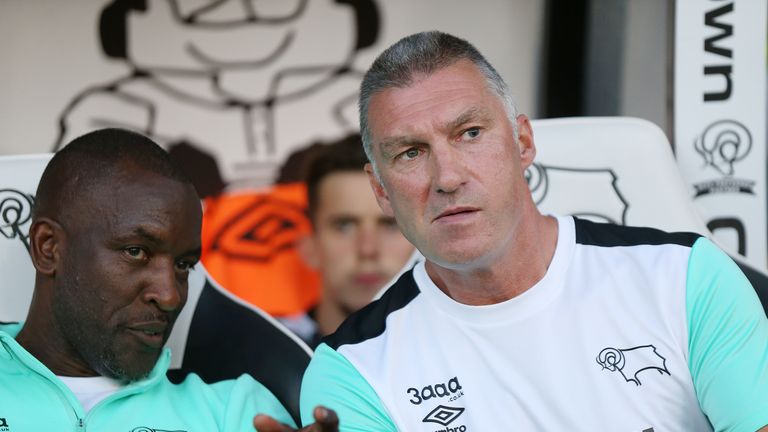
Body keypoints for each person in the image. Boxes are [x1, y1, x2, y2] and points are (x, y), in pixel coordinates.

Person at [297, 31, 768, 431]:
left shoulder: (684, 276)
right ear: (380, 187)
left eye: (470, 133)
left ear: (522, 142)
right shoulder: (351, 371)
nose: (447, 177)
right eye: (410, 153)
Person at [0, 128, 336, 431]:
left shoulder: (235, 412)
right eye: (136, 251)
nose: (170, 296)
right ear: (48, 248)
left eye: (184, 265)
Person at [289, 134, 415, 347]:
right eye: (344, 226)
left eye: (390, 224)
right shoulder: (261, 361)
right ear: (309, 247)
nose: (367, 249)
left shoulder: (461, 350)